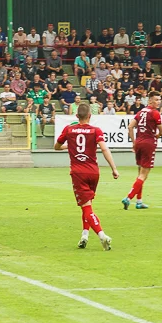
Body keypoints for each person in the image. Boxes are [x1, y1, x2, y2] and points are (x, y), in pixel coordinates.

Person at [54, 103, 119, 250]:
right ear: (90, 116)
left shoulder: (69, 130)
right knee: (87, 205)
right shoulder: (96, 130)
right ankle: (84, 235)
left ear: (76, 116)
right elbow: (104, 149)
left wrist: (69, 145)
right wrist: (114, 168)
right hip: (94, 172)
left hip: (78, 173)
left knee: (86, 207)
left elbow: (56, 147)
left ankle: (102, 236)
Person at [122, 92, 162, 211]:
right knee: (144, 174)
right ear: (150, 101)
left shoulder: (141, 112)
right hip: (148, 143)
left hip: (139, 143)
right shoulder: (155, 113)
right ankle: (128, 198)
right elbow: (161, 131)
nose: (158, 102)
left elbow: (130, 127)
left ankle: (139, 201)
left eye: (159, 100)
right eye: (156, 100)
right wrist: (157, 135)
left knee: (140, 172)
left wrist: (134, 142)